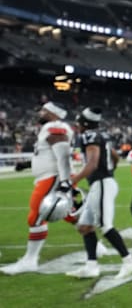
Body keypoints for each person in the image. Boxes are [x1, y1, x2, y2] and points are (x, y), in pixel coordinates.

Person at [1, 102, 96, 274]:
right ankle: (96, 245)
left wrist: (65, 181)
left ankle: (30, 260)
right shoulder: (51, 128)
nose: (40, 112)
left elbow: (63, 155)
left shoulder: (55, 126)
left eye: (44, 110)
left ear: (53, 113)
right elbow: (48, 155)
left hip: (52, 178)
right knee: (69, 214)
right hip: (51, 176)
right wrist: (27, 164)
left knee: (36, 216)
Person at [65, 107, 132, 279]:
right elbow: (114, 156)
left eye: (79, 123)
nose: (78, 126)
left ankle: (129, 260)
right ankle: (91, 266)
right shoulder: (102, 135)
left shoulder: (89, 136)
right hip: (101, 184)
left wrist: (73, 180)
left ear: (84, 123)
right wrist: (108, 171)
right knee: (85, 227)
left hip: (102, 184)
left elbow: (92, 163)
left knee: (105, 226)